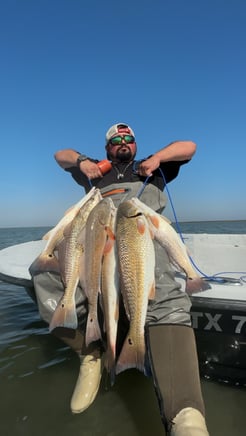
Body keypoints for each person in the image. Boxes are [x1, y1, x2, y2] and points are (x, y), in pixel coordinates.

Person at [32, 123, 209, 436]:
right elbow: (60, 156)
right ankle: (89, 354)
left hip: (142, 239)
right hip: (97, 240)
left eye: (128, 139)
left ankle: (185, 415)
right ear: (107, 148)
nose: (123, 143)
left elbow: (189, 147)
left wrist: (159, 158)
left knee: (163, 289)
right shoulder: (95, 171)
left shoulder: (151, 167)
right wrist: (81, 161)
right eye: (116, 140)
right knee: (44, 272)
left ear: (136, 145)